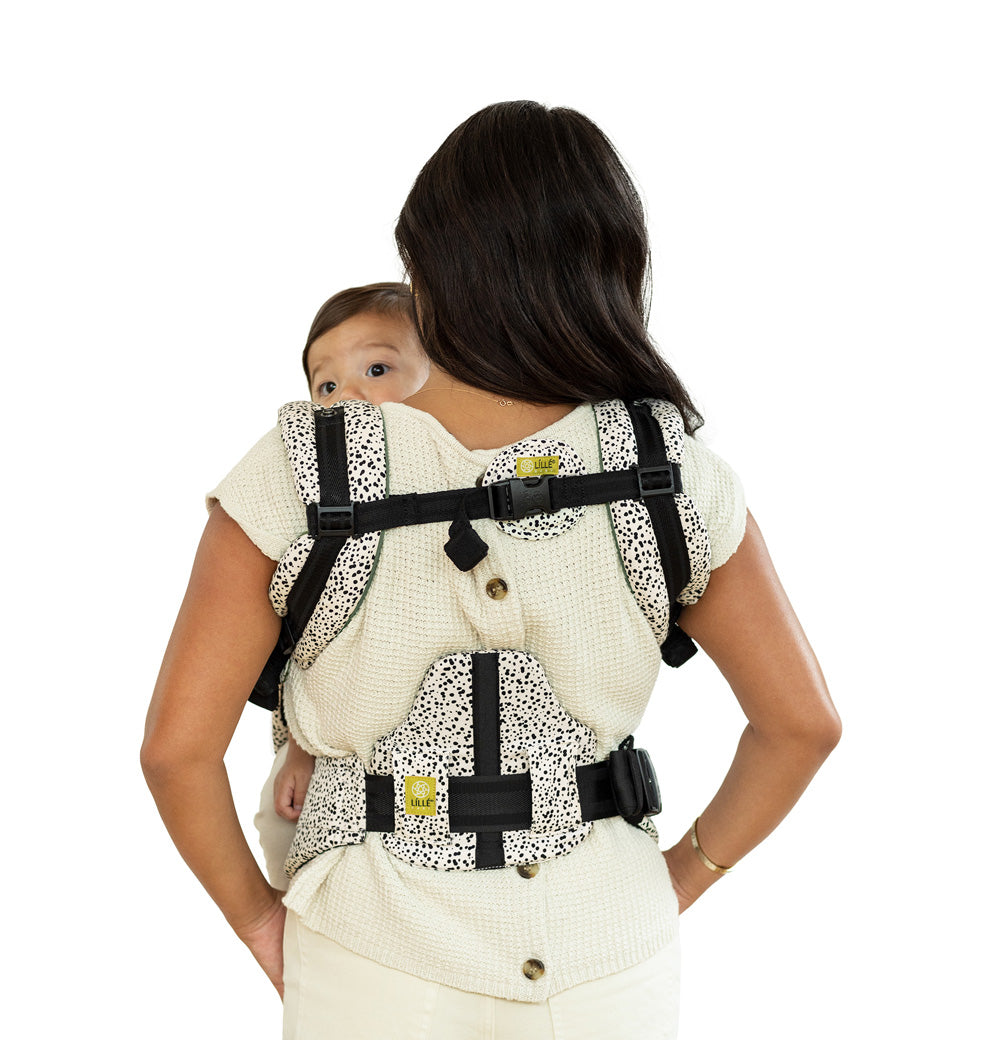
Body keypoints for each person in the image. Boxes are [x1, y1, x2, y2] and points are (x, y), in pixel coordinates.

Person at [142, 101, 841, 1040]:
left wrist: (261, 925)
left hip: (375, 953)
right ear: (611, 266)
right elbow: (802, 724)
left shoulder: (306, 466)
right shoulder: (668, 472)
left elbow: (176, 751)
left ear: (428, 264)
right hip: (612, 960)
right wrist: (680, 878)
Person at [255, 281, 430, 889]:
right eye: (326, 386)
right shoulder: (324, 497)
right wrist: (302, 751)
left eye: (376, 369)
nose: (347, 396)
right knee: (281, 829)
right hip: (330, 756)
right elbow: (307, 644)